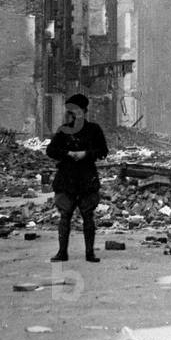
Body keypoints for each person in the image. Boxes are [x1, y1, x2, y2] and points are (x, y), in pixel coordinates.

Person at [46, 93, 108, 262]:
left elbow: (103, 151)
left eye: (79, 110)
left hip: (87, 177)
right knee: (65, 215)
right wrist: (67, 153)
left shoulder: (94, 130)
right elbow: (50, 151)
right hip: (67, 178)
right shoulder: (63, 131)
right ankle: (62, 252)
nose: (76, 114)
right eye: (73, 111)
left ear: (85, 111)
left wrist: (86, 154)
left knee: (88, 215)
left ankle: (90, 253)